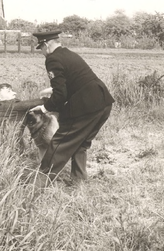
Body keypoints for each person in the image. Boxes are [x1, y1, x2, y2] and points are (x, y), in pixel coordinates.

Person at [31, 30, 115, 183]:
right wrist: (53, 92)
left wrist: (44, 108)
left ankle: (38, 183)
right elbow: (76, 81)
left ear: (46, 45)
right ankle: (79, 181)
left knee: (60, 142)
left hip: (86, 106)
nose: (42, 52)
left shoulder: (53, 59)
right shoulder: (68, 53)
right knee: (80, 143)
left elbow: (60, 94)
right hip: (103, 102)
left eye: (41, 48)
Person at [0, 83, 47, 149]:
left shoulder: (1, 110)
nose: (14, 93)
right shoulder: (4, 105)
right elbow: (37, 102)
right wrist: (55, 98)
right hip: (3, 147)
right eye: (8, 91)